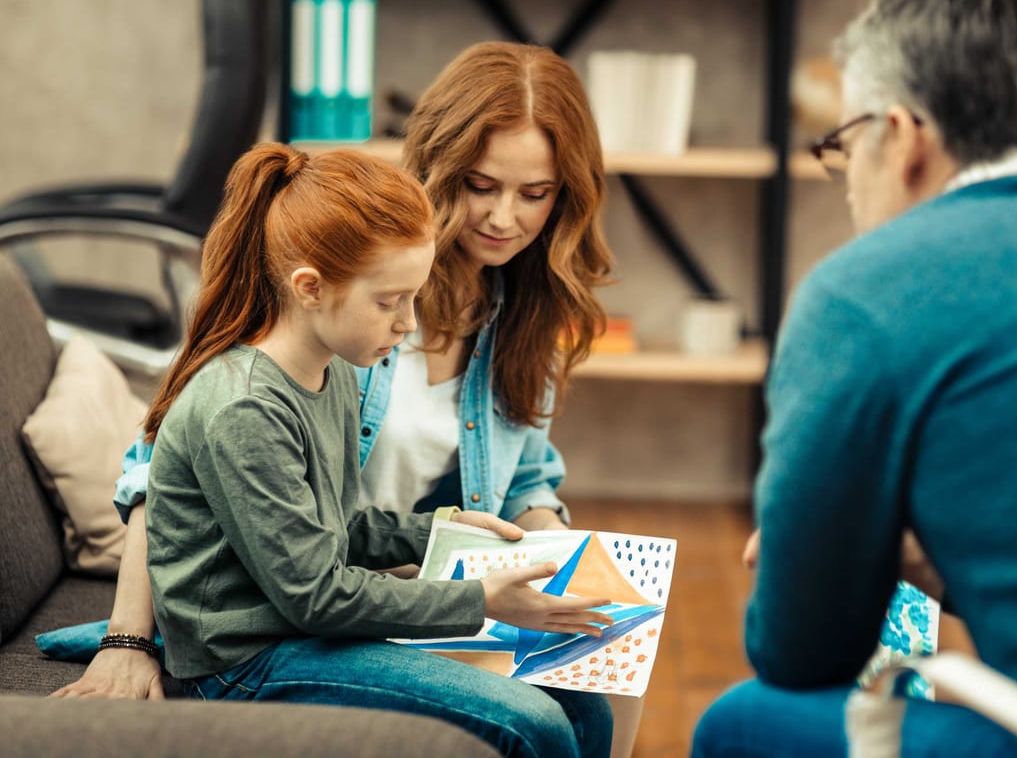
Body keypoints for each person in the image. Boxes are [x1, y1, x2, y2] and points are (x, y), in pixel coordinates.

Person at [45, 41, 644, 757]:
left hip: (410, 580)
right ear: (441, 165)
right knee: (539, 718)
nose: (504, 218)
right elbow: (162, 471)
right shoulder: (334, 304)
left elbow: (526, 475)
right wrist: (126, 640)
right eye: (482, 185)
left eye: (535, 194)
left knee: (608, 665)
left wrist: (551, 553)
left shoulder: (519, 309)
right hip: (327, 605)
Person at [692, 0, 1017, 758]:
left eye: (845, 146)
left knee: (741, 722)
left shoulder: (863, 293)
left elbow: (800, 649)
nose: (849, 184)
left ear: (902, 137)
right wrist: (943, 574)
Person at [136, 141, 613, 758]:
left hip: (293, 633)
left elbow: (341, 524)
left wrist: (440, 531)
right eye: (390, 301)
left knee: (586, 706)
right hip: (241, 664)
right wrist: (482, 601)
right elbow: (315, 597)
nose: (408, 323)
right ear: (309, 287)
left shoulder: (328, 369)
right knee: (534, 724)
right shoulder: (245, 408)